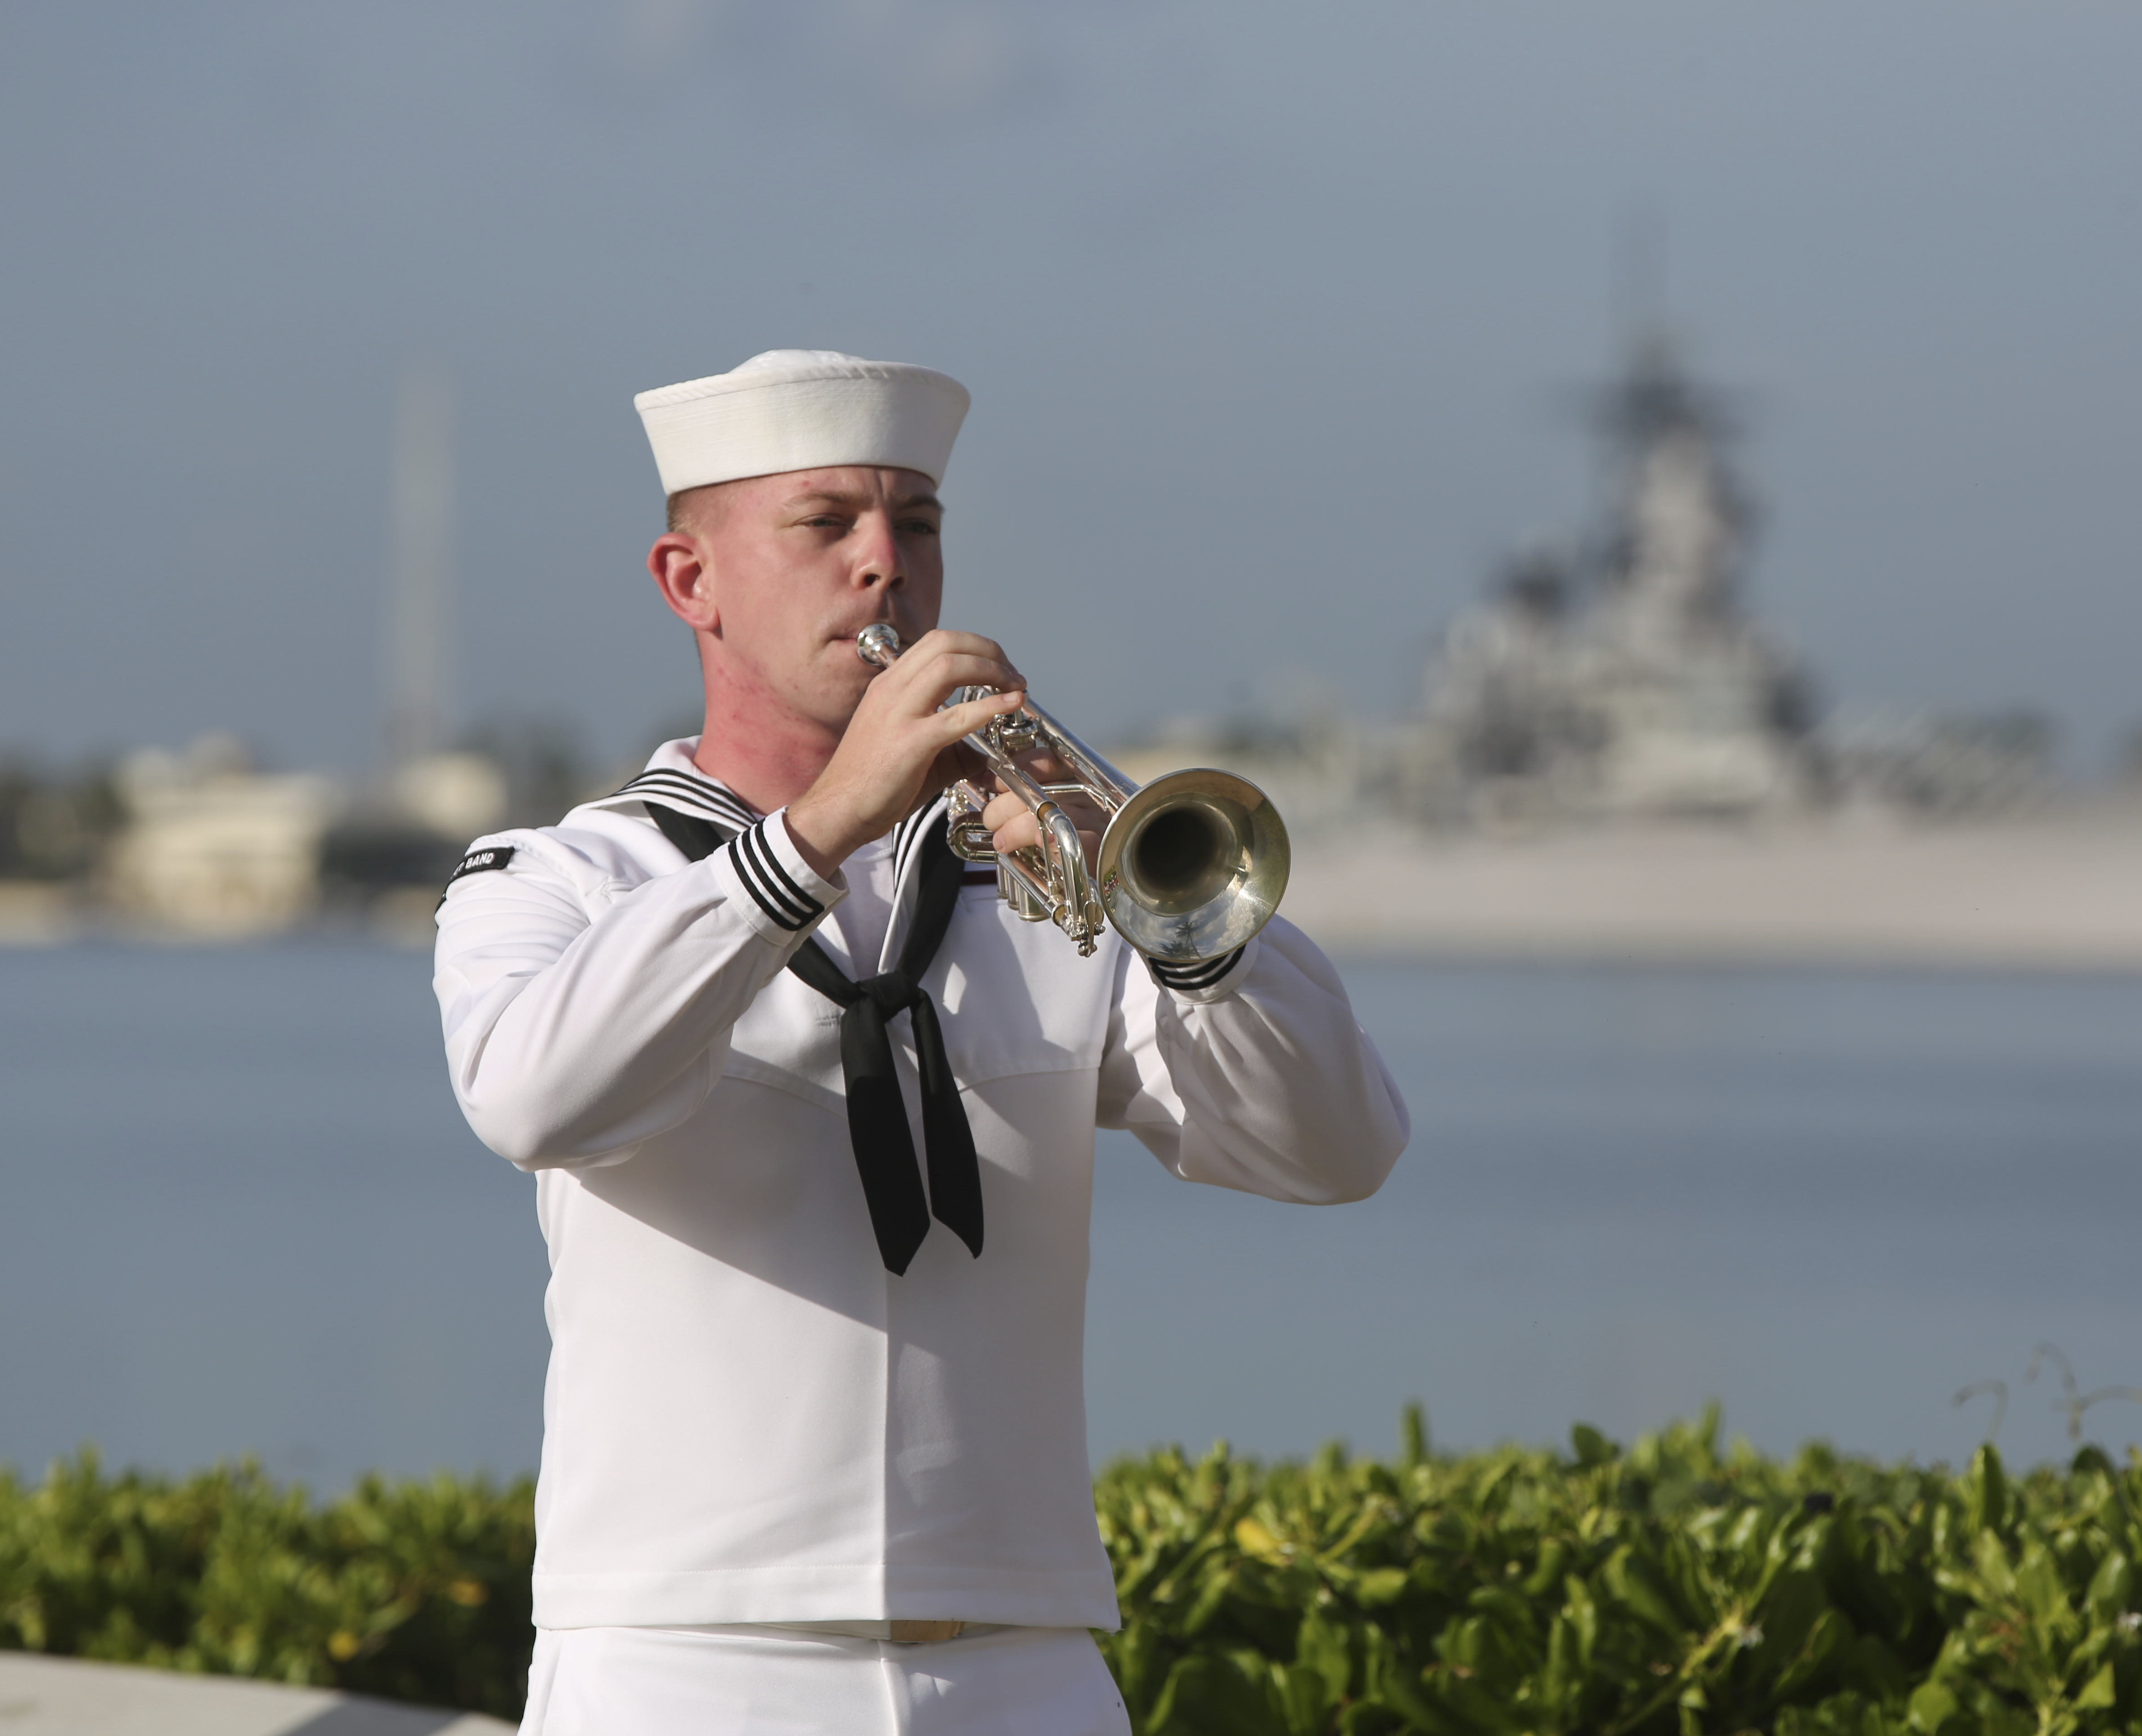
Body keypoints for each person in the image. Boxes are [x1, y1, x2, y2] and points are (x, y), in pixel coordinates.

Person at [431, 348, 1410, 1735]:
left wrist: (1172, 922)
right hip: (683, 1656)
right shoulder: (560, 879)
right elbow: (535, 1097)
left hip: (1026, 1654)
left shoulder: (1035, 886)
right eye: (826, 524)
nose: (886, 565)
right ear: (689, 582)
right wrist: (819, 833)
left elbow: (1340, 1148)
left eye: (920, 524)